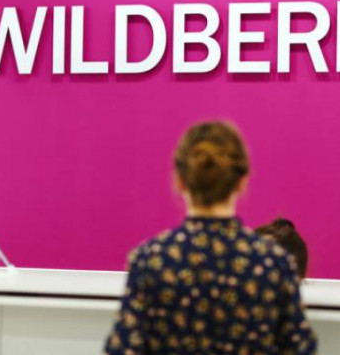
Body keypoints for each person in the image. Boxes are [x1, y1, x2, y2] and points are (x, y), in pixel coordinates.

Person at [103, 121, 317, 355]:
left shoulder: (150, 260)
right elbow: (300, 348)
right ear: (242, 181)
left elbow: (123, 349)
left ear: (179, 181)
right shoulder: (273, 263)